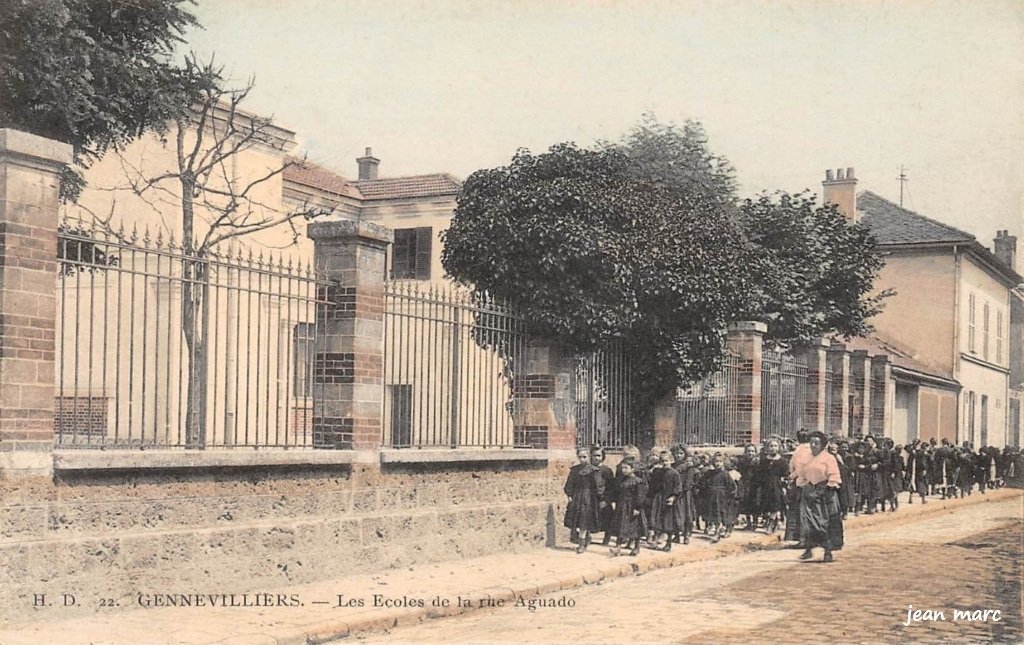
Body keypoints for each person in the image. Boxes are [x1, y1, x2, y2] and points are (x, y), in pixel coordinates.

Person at [793, 430, 844, 563]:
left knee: (825, 523)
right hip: (810, 492)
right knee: (810, 522)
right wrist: (802, 485)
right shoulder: (806, 458)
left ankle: (828, 551)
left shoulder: (828, 458)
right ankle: (809, 549)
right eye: (811, 443)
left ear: (822, 444)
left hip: (826, 493)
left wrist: (830, 486)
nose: (813, 445)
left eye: (817, 443)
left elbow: (834, 474)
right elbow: (802, 474)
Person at [563, 447, 605, 553]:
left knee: (584, 520)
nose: (582, 459)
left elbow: (599, 486)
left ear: (589, 457)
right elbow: (569, 483)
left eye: (584, 457)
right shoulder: (575, 470)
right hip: (577, 497)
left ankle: (581, 544)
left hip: (589, 498)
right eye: (580, 457)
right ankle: (584, 538)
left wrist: (601, 498)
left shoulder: (594, 470)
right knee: (579, 519)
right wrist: (569, 495)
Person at [610, 456, 647, 556]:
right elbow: (617, 492)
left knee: (634, 527)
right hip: (622, 506)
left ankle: (636, 547)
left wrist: (637, 508)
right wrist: (614, 502)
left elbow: (640, 496)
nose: (623, 470)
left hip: (632, 507)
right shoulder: (621, 480)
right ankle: (617, 547)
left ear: (633, 469)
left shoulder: (638, 481)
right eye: (622, 468)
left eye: (626, 468)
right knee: (621, 526)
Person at [590, 446, 616, 544]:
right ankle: (587, 536)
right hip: (591, 498)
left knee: (607, 517)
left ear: (603, 456)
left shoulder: (606, 470)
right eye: (594, 456)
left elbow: (611, 487)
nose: (596, 458)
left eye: (599, 455)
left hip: (603, 498)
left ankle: (607, 537)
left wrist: (607, 500)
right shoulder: (589, 469)